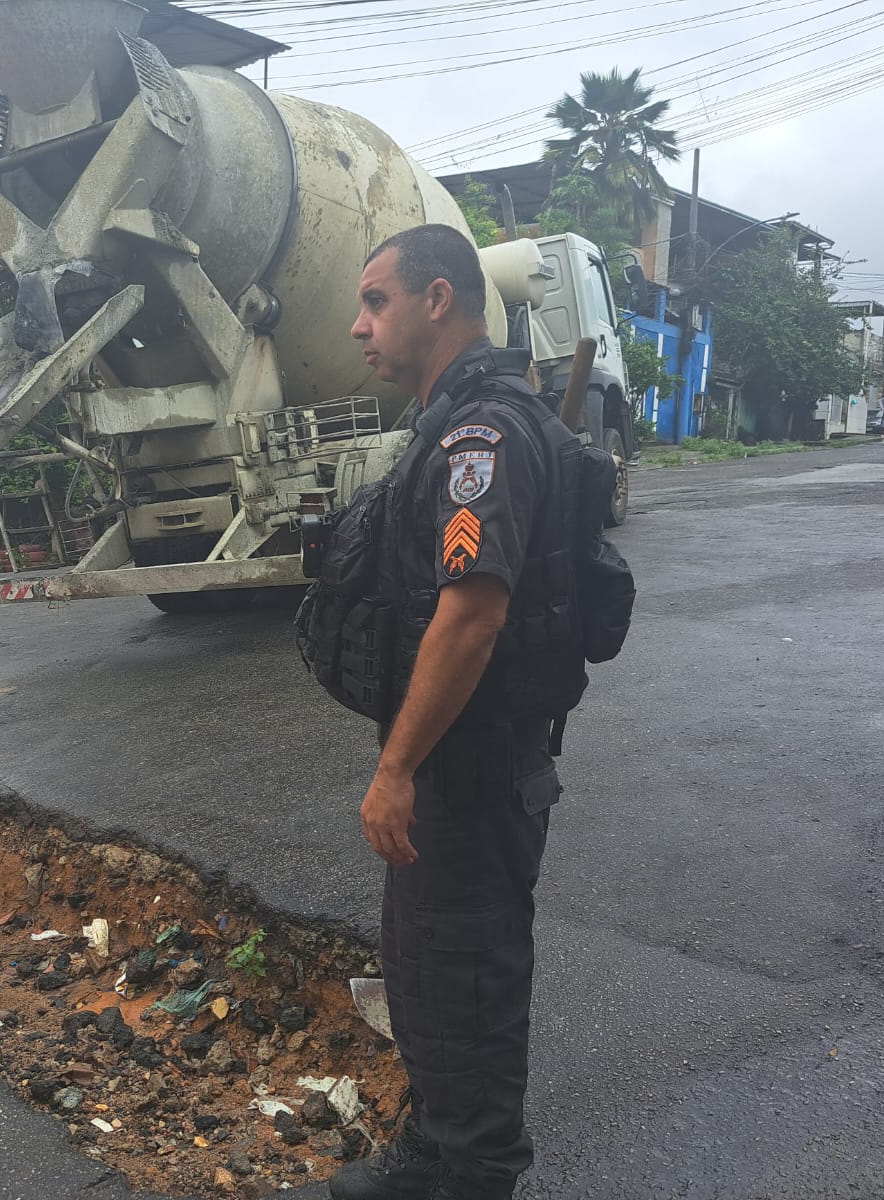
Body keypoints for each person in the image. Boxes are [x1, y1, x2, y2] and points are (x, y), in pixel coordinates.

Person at [328, 224, 567, 1200]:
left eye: (376, 301)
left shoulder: (483, 434)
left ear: (439, 299)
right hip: (448, 772)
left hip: (470, 777)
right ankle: (433, 1148)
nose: (356, 327)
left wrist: (395, 770)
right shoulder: (452, 420)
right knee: (423, 972)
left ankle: (467, 1172)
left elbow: (472, 615)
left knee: (465, 981)